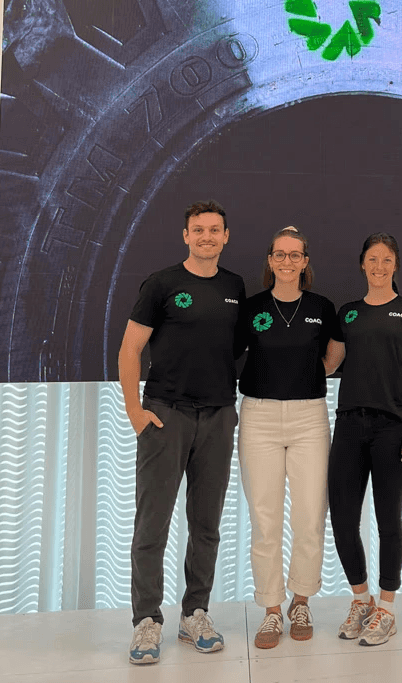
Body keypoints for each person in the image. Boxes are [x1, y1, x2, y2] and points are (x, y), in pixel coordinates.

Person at [118, 200, 246, 665]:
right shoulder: (162, 284)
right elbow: (131, 348)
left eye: (215, 229)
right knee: (152, 524)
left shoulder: (235, 287)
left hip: (217, 416)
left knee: (206, 524)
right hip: (165, 415)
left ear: (226, 236)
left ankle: (195, 613)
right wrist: (135, 410)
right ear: (186, 236)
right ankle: (146, 622)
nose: (207, 236)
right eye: (199, 230)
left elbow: (232, 352)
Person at [323, 232, 402, 646]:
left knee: (389, 519)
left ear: (395, 265)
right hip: (349, 427)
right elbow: (328, 366)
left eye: (386, 259)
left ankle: (386, 608)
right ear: (362, 264)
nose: (379, 266)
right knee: (342, 519)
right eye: (372, 259)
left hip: (393, 428)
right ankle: (361, 598)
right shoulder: (348, 314)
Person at [237, 226, 336, 649]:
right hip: (258, 417)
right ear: (270, 261)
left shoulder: (321, 307)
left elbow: (332, 357)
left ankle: (301, 600)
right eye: (280, 255)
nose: (288, 262)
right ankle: (272, 609)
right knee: (265, 519)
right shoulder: (252, 307)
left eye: (296, 255)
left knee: (311, 515)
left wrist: (309, 377)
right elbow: (231, 351)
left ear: (305, 262)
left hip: (309, 418)